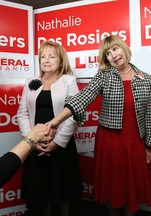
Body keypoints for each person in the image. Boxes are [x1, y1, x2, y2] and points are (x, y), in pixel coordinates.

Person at [44, 35, 151, 216]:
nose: (113, 54)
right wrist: (56, 121)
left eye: (115, 49)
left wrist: (149, 145)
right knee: (113, 188)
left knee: (131, 188)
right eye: (108, 53)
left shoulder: (146, 79)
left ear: (124, 48)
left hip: (135, 143)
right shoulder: (104, 76)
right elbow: (83, 98)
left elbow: (149, 116)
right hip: (110, 142)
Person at [16, 40, 82, 216]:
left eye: (51, 56)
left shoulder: (68, 80)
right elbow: (22, 113)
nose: (46, 60)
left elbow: (74, 113)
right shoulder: (32, 81)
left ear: (60, 61)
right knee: (40, 193)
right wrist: (31, 141)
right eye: (43, 56)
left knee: (64, 191)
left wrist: (57, 143)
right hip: (36, 146)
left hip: (62, 147)